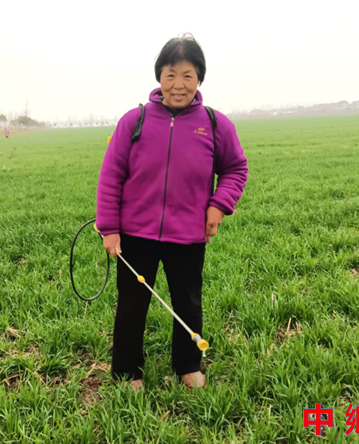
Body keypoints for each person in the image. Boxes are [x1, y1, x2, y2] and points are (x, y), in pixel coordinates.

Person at [96, 34, 248, 391]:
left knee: (187, 303)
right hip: (136, 235)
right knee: (131, 305)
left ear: (199, 79)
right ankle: (127, 372)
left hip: (188, 234)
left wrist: (219, 205)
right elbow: (111, 175)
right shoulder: (134, 121)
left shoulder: (215, 124)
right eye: (170, 75)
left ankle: (187, 365)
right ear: (159, 77)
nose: (179, 84)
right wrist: (109, 228)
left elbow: (235, 169)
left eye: (187, 75)